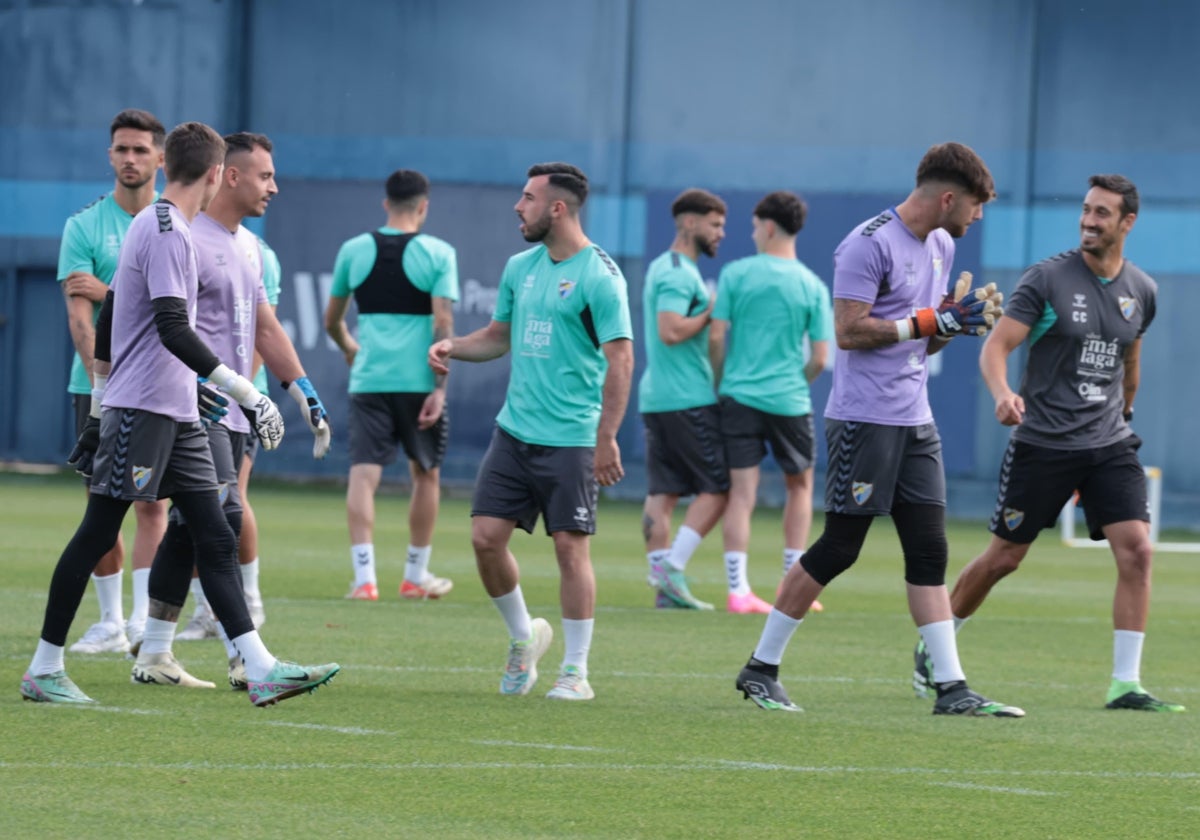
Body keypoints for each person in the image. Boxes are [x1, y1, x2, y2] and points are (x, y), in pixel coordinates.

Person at [20, 121, 338, 707]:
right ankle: (45, 667)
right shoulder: (168, 230)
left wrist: (95, 402)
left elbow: (111, 314)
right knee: (97, 533)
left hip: (179, 412)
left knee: (215, 533)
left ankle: (260, 666)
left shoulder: (168, 228)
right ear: (217, 174)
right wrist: (249, 392)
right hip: (145, 411)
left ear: (169, 165)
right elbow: (171, 327)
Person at [733, 142, 1020, 716]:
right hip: (864, 417)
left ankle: (951, 688)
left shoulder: (940, 242)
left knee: (929, 549)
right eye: (976, 206)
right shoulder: (867, 244)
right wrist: (927, 319)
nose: (977, 217)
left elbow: (926, 333)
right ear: (947, 199)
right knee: (841, 546)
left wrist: (953, 325)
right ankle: (760, 669)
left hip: (915, 417)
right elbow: (847, 331)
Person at [911, 175, 1184, 713]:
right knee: (1004, 559)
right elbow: (997, 347)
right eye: (1086, 210)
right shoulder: (1048, 279)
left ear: (1127, 223)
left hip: (1109, 442)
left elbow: (1131, 359)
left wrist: (1125, 412)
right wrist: (1003, 392)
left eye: (1102, 213)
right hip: (1043, 444)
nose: (1089, 220)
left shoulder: (1142, 291)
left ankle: (1125, 684)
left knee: (1138, 550)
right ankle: (936, 642)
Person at [133, 131, 332, 692]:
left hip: (240, 413)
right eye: (266, 175)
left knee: (190, 528)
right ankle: (248, 656)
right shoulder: (186, 238)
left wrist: (304, 392)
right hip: (200, 409)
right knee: (223, 520)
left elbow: (264, 327)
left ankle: (153, 653)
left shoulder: (249, 247)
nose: (275, 185)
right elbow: (162, 327)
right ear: (231, 175)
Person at [428, 162, 633, 701]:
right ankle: (525, 638)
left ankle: (576, 671)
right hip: (514, 432)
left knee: (570, 549)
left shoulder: (601, 276)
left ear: (556, 208)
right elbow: (498, 337)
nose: (519, 207)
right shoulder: (521, 266)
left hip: (571, 438)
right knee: (484, 540)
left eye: (528, 198)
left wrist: (606, 437)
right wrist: (454, 347)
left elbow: (622, 360)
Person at [57, 108, 170, 655]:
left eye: (141, 150)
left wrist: (109, 294)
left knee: (154, 505)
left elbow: (174, 311)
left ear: (161, 158)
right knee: (101, 503)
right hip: (97, 388)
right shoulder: (84, 226)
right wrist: (103, 384)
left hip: (157, 388)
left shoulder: (175, 225)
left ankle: (149, 624)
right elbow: (80, 321)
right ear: (110, 155)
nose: (130, 159)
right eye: (122, 149)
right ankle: (110, 621)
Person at [325, 169, 459, 602]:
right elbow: (443, 322)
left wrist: (350, 346)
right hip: (419, 380)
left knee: (363, 476)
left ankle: (365, 581)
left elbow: (333, 321)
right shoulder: (439, 252)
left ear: (386, 204)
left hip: (370, 379)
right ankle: (414, 576)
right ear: (423, 206)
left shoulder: (353, 249)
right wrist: (439, 389)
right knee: (426, 475)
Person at [710, 191, 832, 614]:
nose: (751, 234)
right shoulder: (812, 285)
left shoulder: (736, 273)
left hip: (739, 396)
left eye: (752, 226)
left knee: (742, 493)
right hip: (790, 401)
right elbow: (820, 358)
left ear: (767, 226)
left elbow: (714, 336)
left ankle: (737, 590)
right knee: (800, 487)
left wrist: (723, 381)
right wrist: (794, 384)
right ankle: (791, 584)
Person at [639, 188, 727, 611]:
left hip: (658, 396)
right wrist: (712, 311)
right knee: (719, 487)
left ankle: (663, 589)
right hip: (685, 397)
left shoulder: (665, 265)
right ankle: (672, 569)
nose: (721, 234)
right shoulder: (678, 272)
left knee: (665, 491)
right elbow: (671, 330)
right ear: (690, 223)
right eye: (715, 225)